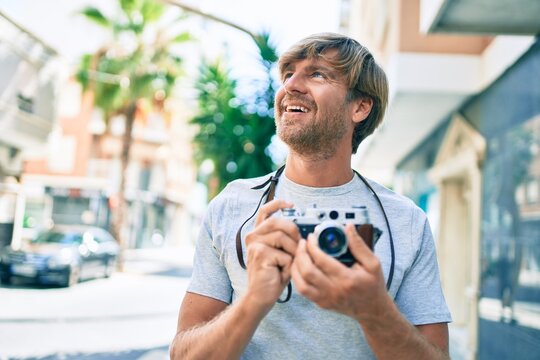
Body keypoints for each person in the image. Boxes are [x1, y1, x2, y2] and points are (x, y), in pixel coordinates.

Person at [170, 33, 452, 359]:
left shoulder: (406, 222)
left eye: (317, 74)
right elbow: (182, 356)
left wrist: (375, 310)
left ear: (360, 106)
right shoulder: (231, 206)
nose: (291, 85)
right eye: (288, 73)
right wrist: (254, 300)